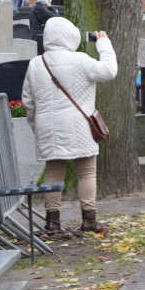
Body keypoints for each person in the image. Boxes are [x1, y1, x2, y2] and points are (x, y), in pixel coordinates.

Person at [21, 17, 117, 236]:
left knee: (54, 173)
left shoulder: (36, 63)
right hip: (79, 126)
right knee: (86, 171)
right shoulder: (81, 60)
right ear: (70, 36)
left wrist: (37, 126)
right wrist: (103, 43)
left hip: (48, 127)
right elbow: (109, 71)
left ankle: (52, 223)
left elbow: (28, 101)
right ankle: (89, 220)